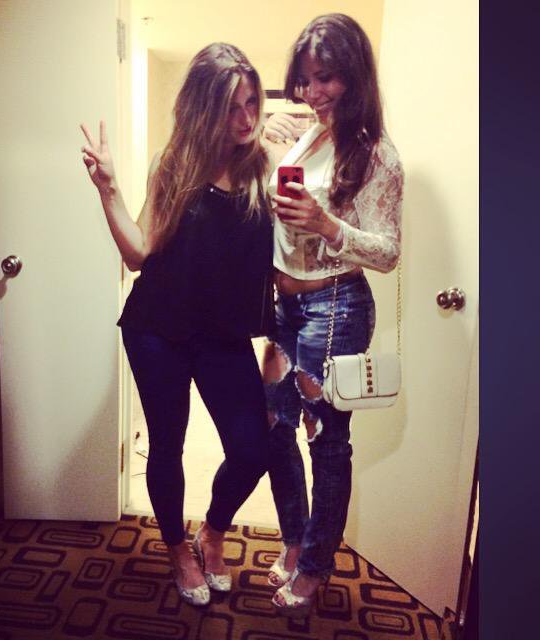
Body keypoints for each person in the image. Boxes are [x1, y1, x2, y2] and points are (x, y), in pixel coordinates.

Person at [79, 43, 274, 607]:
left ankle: (212, 531)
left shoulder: (262, 167)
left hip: (224, 336)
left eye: (252, 104)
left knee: (252, 449)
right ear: (203, 107)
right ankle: (176, 550)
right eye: (232, 107)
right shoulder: (175, 164)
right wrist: (108, 189)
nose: (245, 118)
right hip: (158, 329)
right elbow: (139, 253)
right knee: (167, 446)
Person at [260, 14, 404, 616]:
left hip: (336, 306)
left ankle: (316, 566)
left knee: (325, 441)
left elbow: (388, 252)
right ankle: (295, 540)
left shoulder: (377, 155)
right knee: (273, 425)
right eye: (304, 79)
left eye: (325, 78)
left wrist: (325, 223)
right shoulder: (309, 135)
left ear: (354, 76)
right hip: (286, 308)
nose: (311, 92)